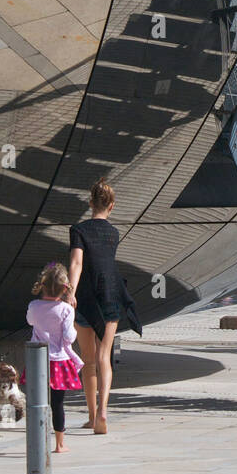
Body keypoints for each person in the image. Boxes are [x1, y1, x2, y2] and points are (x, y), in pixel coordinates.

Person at [68, 180, 140, 436]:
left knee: (88, 361)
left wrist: (71, 292)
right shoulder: (113, 233)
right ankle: (103, 413)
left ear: (90, 204)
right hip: (111, 293)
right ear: (112, 206)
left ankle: (90, 416)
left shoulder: (78, 230)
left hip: (86, 297)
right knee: (104, 357)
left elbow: (77, 264)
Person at [25, 262, 83, 454]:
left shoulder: (34, 305)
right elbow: (69, 337)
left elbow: (30, 321)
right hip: (59, 361)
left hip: (37, 359)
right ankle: (59, 444)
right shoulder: (66, 309)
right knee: (57, 404)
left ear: (42, 285)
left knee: (37, 402)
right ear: (65, 288)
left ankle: (37, 441)